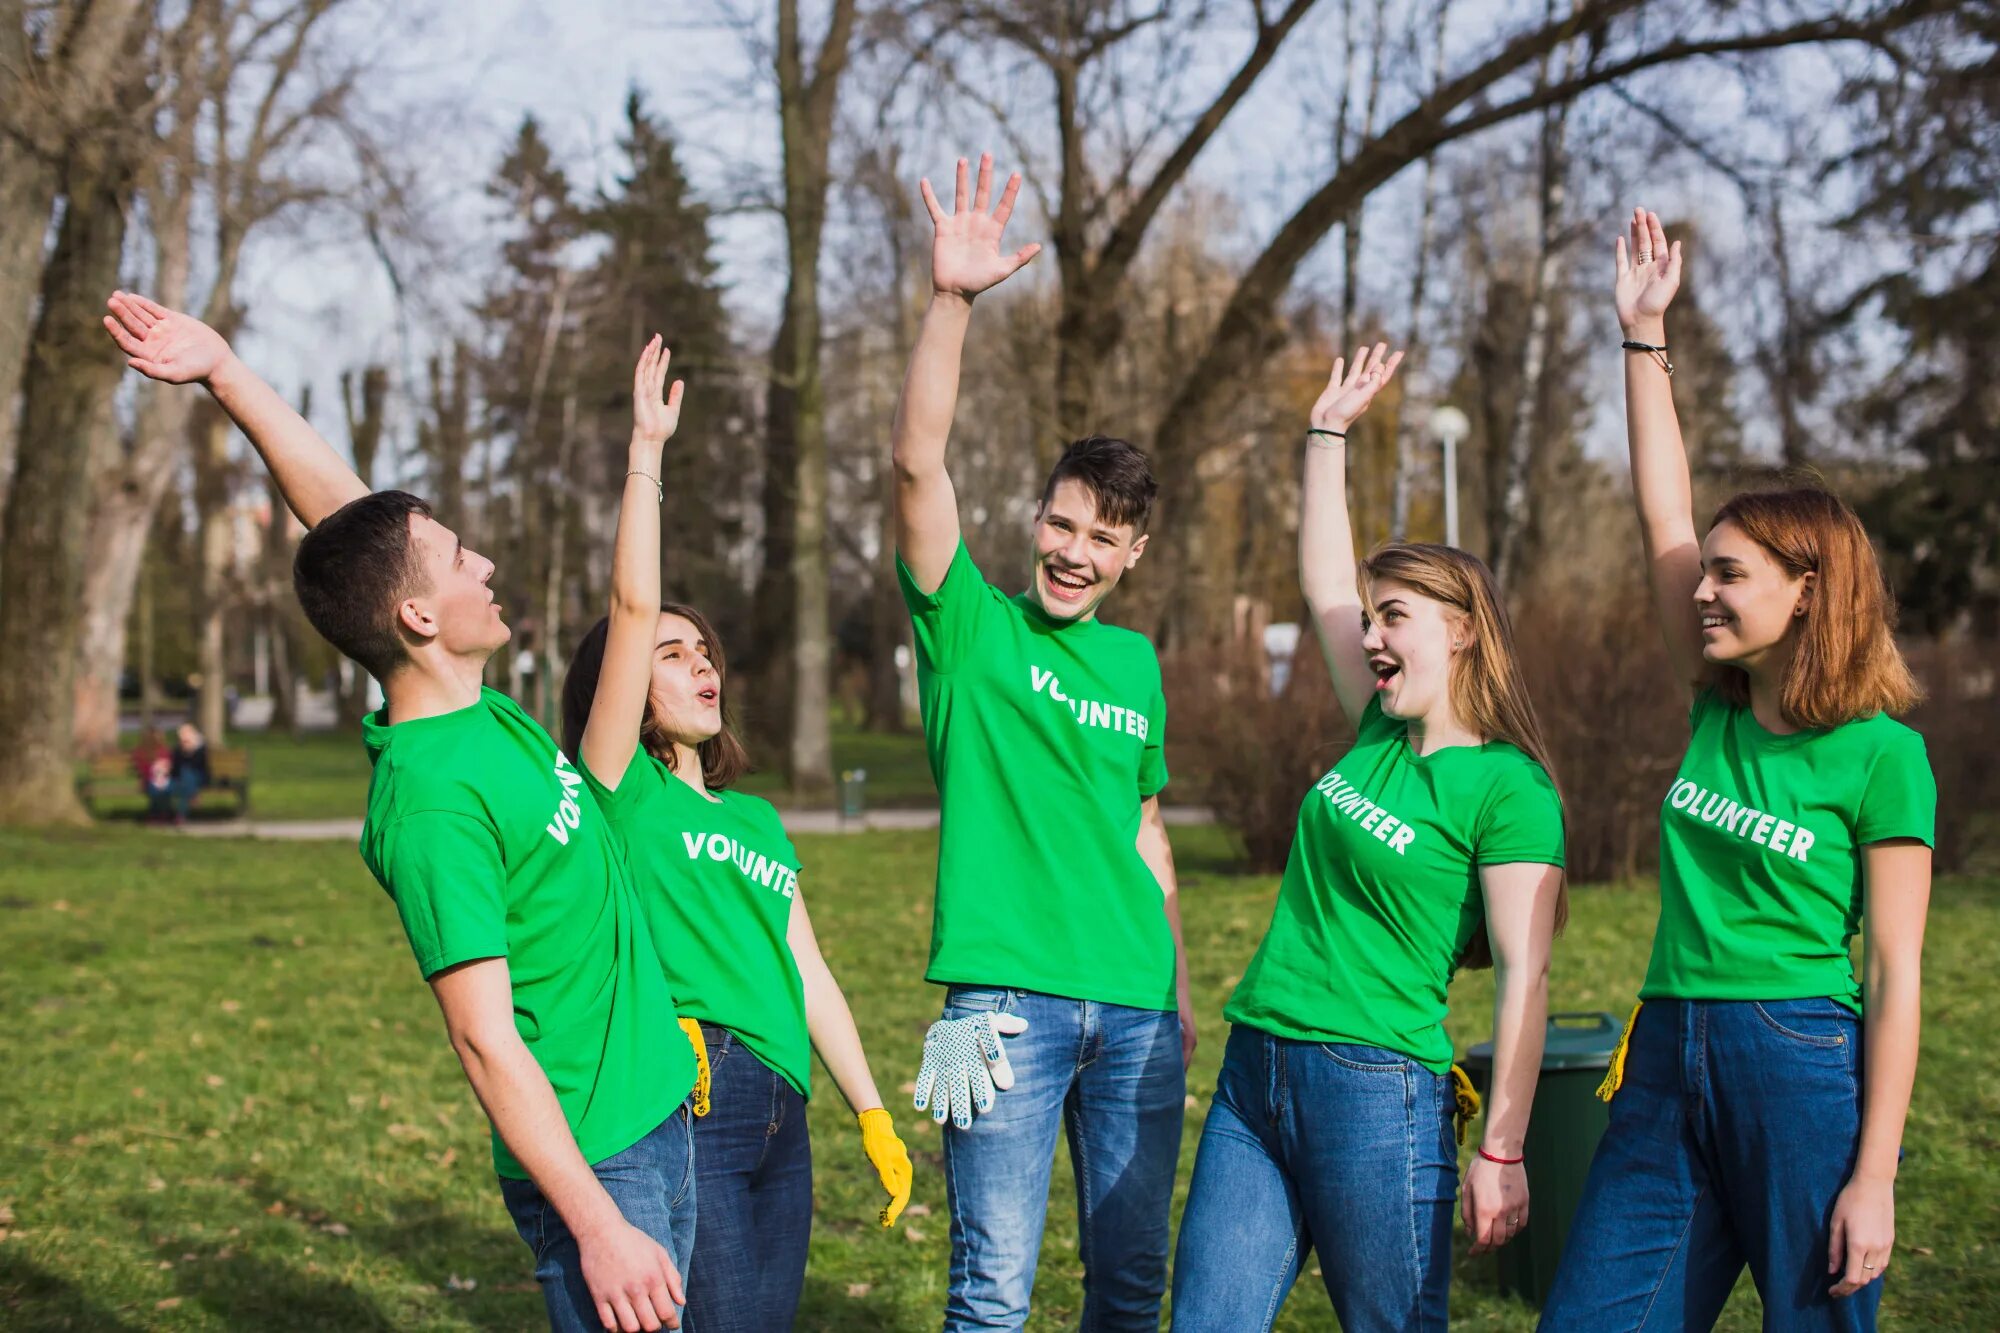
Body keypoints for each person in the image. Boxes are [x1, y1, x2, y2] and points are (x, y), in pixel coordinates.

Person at [103, 292, 700, 1333]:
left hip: (657, 1109)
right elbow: (482, 1042)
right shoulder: (429, 802)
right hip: (599, 1160)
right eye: (464, 559)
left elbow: (351, 528)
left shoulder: (473, 710)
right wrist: (597, 1224)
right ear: (421, 618)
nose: (487, 565)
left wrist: (228, 374)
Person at [1539, 211, 1936, 1332]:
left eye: (1731, 575)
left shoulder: (1879, 755)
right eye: (1701, 576)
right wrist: (1640, 335)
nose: (1701, 591)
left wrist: (1874, 1173)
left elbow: (1897, 973)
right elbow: (1661, 509)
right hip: (1664, 1047)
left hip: (1799, 1060)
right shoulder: (1713, 701)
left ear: (1805, 589)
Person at [1169, 348, 1567, 1331]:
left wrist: (1503, 1147)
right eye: (1373, 617)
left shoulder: (1508, 791)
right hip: (1256, 1068)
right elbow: (1319, 586)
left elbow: (1526, 978)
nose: (1372, 635)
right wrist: (1324, 435)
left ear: (1463, 630)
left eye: (1395, 616)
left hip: (1375, 1091)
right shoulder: (1376, 727)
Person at [891, 153, 1193, 1331]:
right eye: (1058, 523)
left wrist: (1174, 994)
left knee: (1129, 1286)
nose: (1070, 551)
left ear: (1132, 557)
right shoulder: (967, 626)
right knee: (991, 1288)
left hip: (1135, 1012)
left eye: (1099, 537)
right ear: (1035, 520)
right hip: (1002, 1007)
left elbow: (1145, 828)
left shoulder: (1135, 663)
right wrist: (952, 303)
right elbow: (919, 460)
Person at [559, 338, 913, 1332]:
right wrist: (646, 453)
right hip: (690, 1088)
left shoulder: (754, 817)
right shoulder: (617, 789)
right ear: (625, 687)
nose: (700, 664)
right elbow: (632, 603)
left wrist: (871, 1108)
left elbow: (804, 966)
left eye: (704, 651)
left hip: (777, 1105)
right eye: (671, 656)